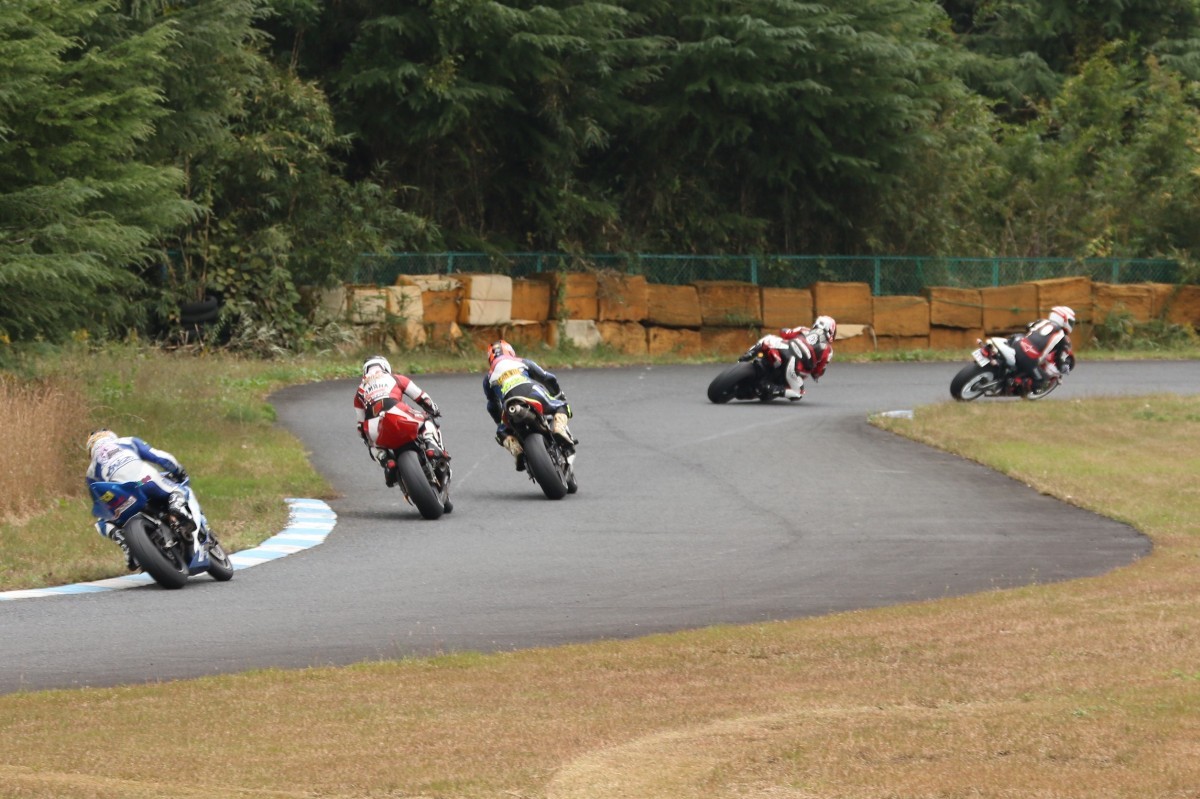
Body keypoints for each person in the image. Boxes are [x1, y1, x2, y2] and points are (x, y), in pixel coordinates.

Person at [85, 429, 208, 571]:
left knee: (102, 523)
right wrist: (178, 471)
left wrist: (113, 514)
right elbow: (160, 457)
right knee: (178, 490)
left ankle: (124, 542)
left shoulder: (91, 471)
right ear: (111, 436)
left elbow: (100, 504)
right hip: (144, 480)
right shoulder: (127, 441)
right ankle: (177, 506)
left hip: (124, 494)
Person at [353, 355, 448, 487]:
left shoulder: (359, 392)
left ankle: (386, 461)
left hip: (374, 424)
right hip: (397, 411)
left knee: (371, 444)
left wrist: (367, 438)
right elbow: (422, 397)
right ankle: (431, 446)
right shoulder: (395, 378)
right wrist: (434, 410)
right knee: (426, 420)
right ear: (385, 367)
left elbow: (360, 427)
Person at [483, 340, 576, 471]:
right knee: (562, 406)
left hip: (509, 404)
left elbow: (492, 405)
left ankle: (516, 450)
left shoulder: (488, 378)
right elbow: (548, 378)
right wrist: (558, 394)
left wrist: (500, 423)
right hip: (531, 392)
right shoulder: (522, 362)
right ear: (510, 351)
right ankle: (559, 429)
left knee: (501, 433)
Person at [1012, 305, 1075, 393]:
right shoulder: (1062, 337)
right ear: (1063, 319)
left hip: (1018, 344)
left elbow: (1028, 326)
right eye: (1070, 322)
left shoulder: (1042, 322)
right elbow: (1059, 358)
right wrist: (1063, 367)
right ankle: (1015, 384)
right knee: (1043, 380)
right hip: (1029, 356)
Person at [772, 315, 836, 400]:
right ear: (831, 331)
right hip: (793, 366)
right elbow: (818, 371)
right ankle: (772, 390)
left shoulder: (803, 330)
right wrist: (816, 375)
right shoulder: (827, 349)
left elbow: (784, 333)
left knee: (768, 341)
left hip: (781, 350)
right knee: (798, 393)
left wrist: (785, 331)